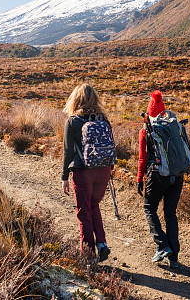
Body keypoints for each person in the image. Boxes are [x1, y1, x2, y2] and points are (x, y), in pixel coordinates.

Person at [61, 83, 112, 263]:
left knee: (84, 211)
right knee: (94, 205)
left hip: (83, 172)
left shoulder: (73, 121)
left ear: (76, 99)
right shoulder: (103, 119)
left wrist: (64, 177)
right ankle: (102, 244)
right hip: (104, 170)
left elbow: (68, 152)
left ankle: (88, 257)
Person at [136, 90, 183, 268]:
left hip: (157, 175)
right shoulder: (174, 126)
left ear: (148, 113)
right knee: (170, 214)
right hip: (177, 176)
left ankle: (162, 246)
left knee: (149, 208)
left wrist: (139, 179)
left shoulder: (146, 130)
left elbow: (142, 158)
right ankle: (174, 258)